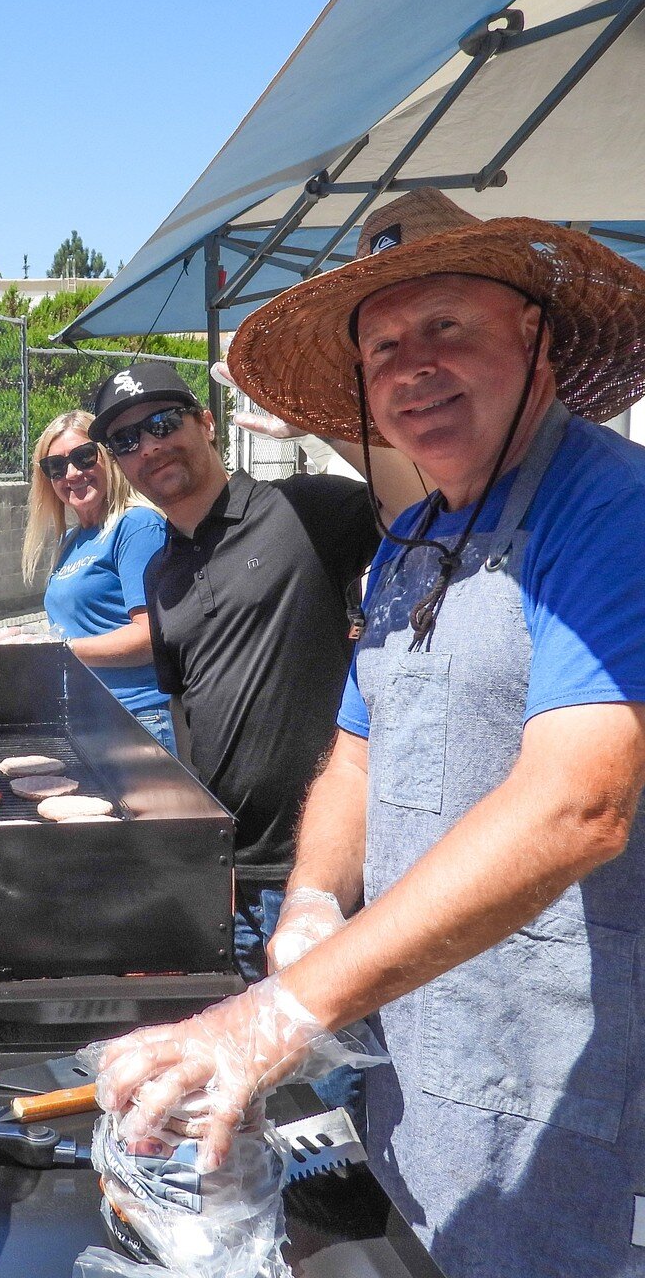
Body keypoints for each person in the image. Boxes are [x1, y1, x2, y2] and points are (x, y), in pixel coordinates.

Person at [94, 188, 645, 1278]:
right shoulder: (415, 540)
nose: (411, 365)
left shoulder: (609, 508)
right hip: (421, 1099)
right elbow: (357, 747)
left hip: (565, 1107)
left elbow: (578, 806)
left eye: (447, 326)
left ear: (531, 333)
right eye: (384, 344)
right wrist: (309, 903)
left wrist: (284, 1008)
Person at [88, 359, 420, 981]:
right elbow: (185, 709)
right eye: (126, 440)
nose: (150, 447)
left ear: (207, 423)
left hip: (323, 873)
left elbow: (422, 503)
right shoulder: (160, 572)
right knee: (250, 1070)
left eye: (163, 422)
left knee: (341, 1072)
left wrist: (326, 425)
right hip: (229, 876)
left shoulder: (303, 510)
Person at [17, 409, 175, 750]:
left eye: (83, 457)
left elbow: (150, 637)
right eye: (56, 467)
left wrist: (56, 652)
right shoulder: (70, 540)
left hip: (134, 719)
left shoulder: (136, 527)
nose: (72, 473)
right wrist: (23, 639)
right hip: (83, 717)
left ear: (108, 457)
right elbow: (78, 628)